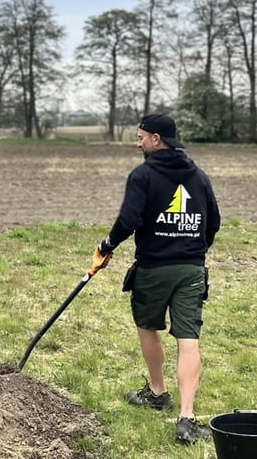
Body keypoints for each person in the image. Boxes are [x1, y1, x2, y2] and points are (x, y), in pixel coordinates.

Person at [90, 114, 220, 445]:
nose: (138, 142)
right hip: (192, 269)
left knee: (148, 326)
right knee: (188, 337)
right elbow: (214, 222)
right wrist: (194, 249)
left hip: (153, 267)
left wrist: (106, 247)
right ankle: (187, 418)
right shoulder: (198, 175)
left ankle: (158, 392)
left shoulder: (143, 175)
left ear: (156, 139)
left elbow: (129, 219)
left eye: (141, 137)